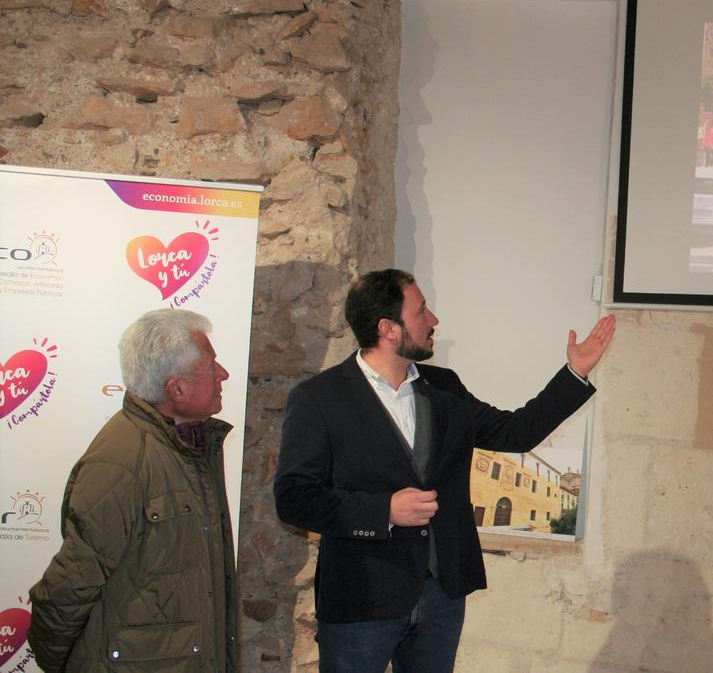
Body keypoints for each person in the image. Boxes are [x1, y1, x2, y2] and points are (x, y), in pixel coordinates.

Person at [274, 269, 616, 672]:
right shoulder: (319, 398)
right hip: (362, 600)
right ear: (388, 328)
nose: (433, 319)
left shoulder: (445, 387)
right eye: (421, 311)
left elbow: (514, 432)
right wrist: (382, 510)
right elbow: (294, 498)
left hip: (441, 597)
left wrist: (574, 374)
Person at [28, 309, 237, 672]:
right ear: (177, 388)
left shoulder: (189, 446)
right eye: (211, 366)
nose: (223, 374)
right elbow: (70, 585)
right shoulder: (121, 463)